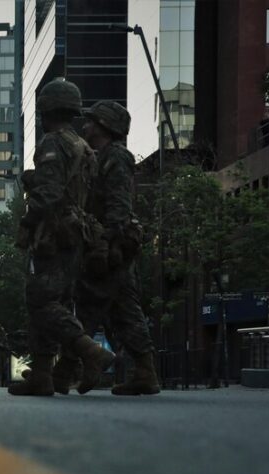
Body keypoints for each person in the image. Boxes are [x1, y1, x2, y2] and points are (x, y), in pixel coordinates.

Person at [10, 78, 116, 396]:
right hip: (77, 235)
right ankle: (42, 375)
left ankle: (89, 351)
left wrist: (28, 222)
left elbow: (51, 193)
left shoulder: (53, 143)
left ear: (48, 110)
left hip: (54, 234)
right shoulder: (83, 147)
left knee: (41, 300)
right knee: (55, 302)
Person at [67, 100, 160, 396]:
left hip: (111, 247)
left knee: (93, 308)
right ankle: (142, 372)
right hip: (105, 244)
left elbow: (119, 206)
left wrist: (105, 244)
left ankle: (72, 368)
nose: (86, 126)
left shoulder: (116, 157)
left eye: (92, 122)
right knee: (119, 310)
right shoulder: (100, 156)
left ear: (105, 126)